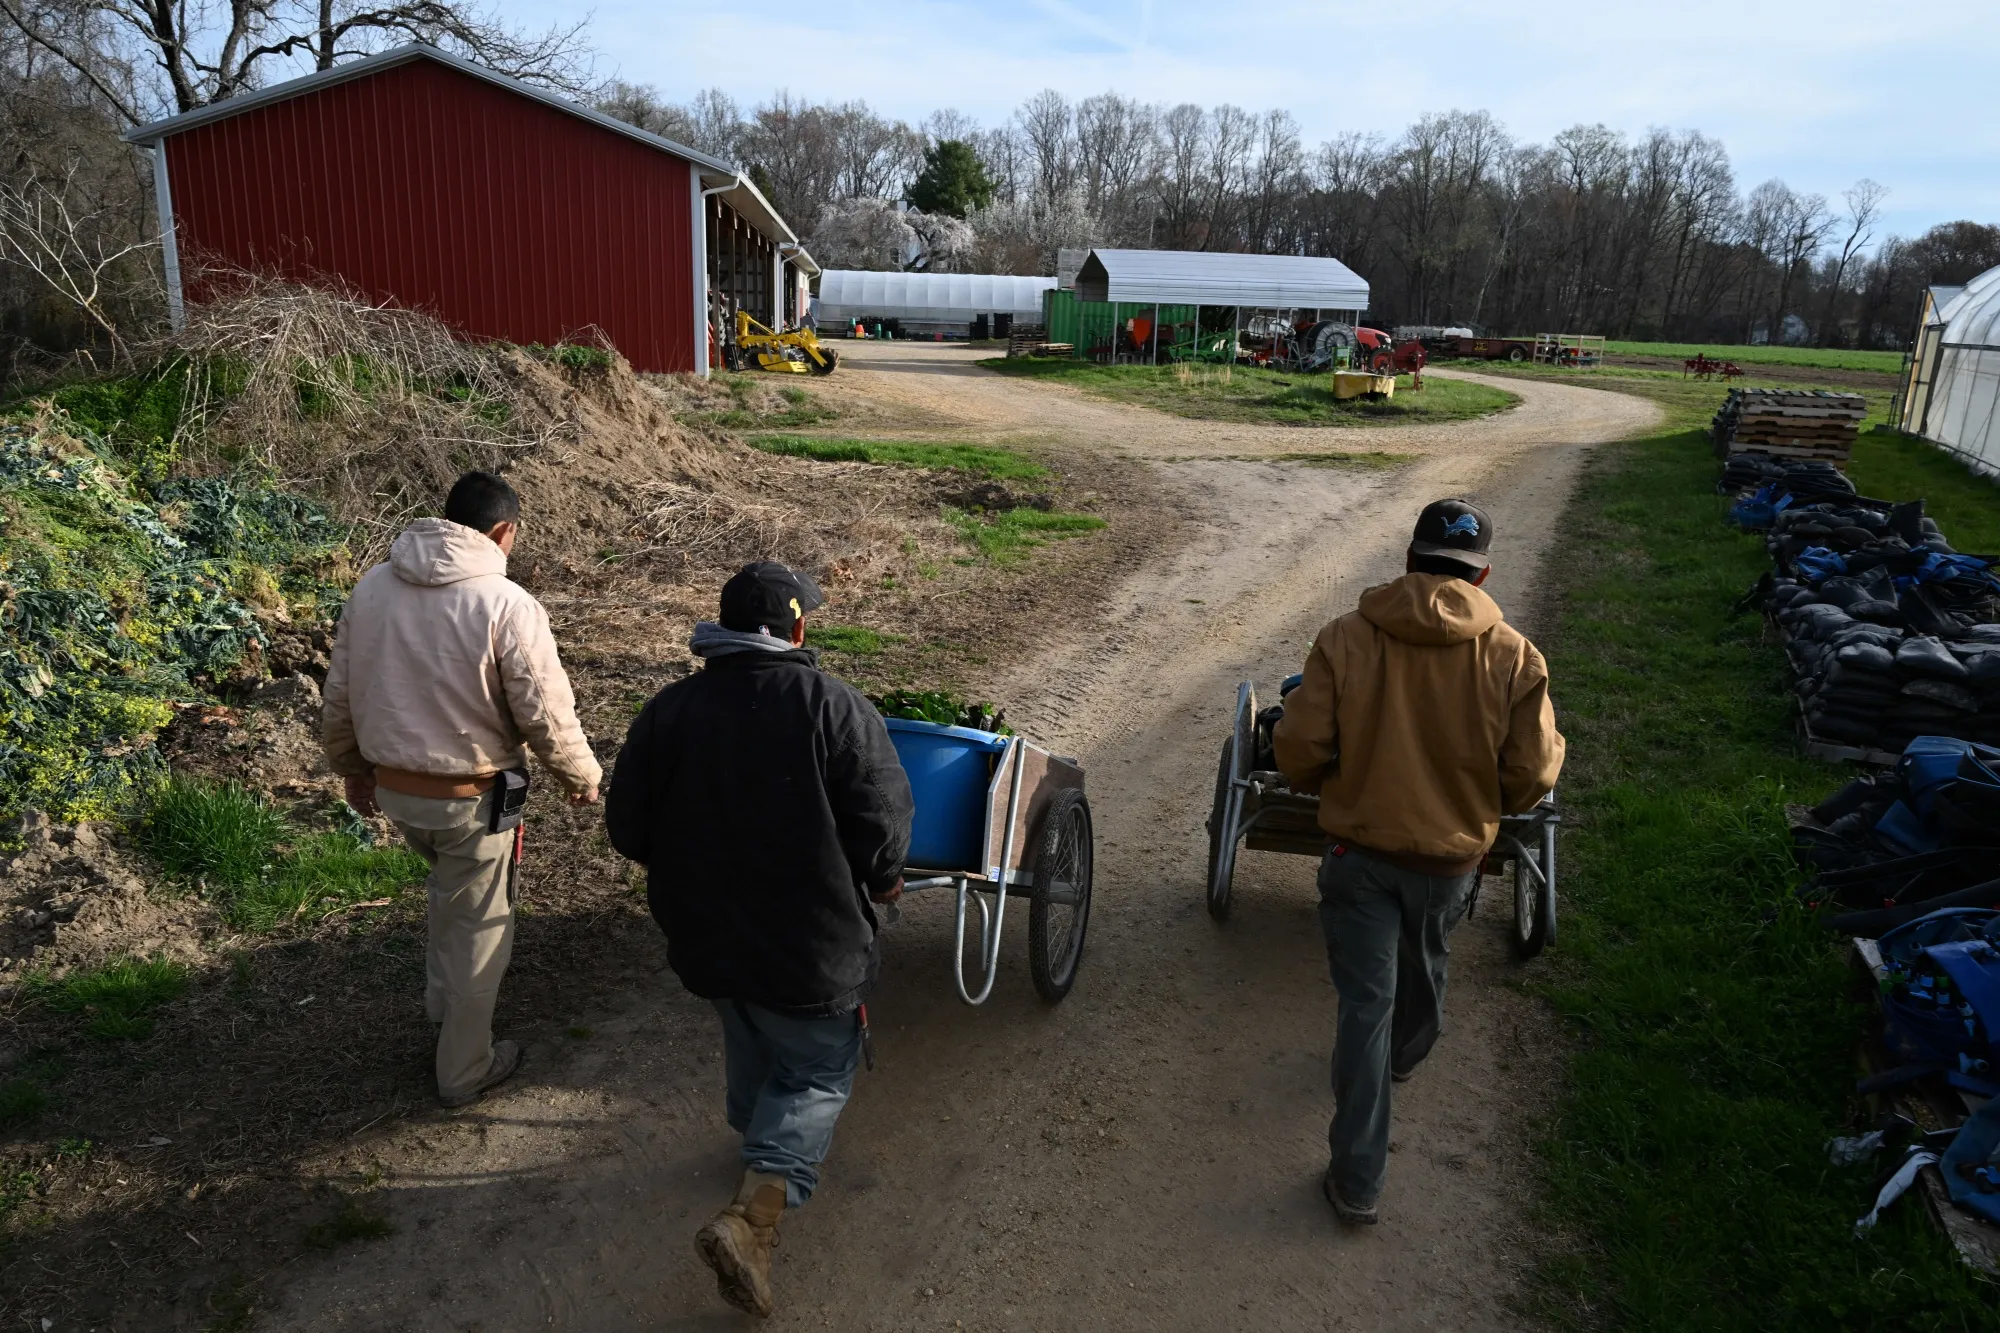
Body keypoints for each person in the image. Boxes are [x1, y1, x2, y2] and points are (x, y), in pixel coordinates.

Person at [604, 560, 912, 1319]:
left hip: (705, 931)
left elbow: (628, 827)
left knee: (745, 1017)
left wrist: (694, 871)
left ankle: (755, 1137)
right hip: (810, 938)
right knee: (816, 1065)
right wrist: (882, 880)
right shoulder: (832, 705)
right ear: (798, 629)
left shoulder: (668, 710)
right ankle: (754, 1216)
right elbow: (881, 819)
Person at [1273, 498, 1565, 1226]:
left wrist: (1328, 781)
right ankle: (1411, 1049)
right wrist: (1477, 803)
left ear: (1407, 560)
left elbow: (1299, 747)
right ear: (1482, 574)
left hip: (1358, 852)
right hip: (1449, 863)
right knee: (1428, 962)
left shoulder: (1345, 637)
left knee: (1363, 1005)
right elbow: (1532, 775)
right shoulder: (1515, 656)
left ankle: (1358, 1181)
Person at [322, 470, 602, 1108]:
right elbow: (544, 711)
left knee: (448, 898)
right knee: (481, 923)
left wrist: (352, 767)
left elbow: (341, 692)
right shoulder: (506, 603)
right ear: (503, 531)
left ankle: (440, 1013)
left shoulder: (372, 587)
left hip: (397, 791)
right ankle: (464, 1070)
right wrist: (580, 776)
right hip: (471, 797)